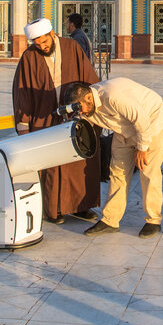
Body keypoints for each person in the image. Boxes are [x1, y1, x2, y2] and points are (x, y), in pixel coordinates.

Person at [12, 18, 101, 225]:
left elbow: (89, 79)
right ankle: (55, 209)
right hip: (44, 118)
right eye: (37, 44)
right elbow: (21, 92)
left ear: (52, 34)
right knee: (50, 165)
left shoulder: (72, 47)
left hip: (74, 115)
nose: (42, 46)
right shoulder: (29, 57)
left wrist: (92, 108)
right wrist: (23, 124)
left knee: (78, 163)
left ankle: (81, 207)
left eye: (44, 41)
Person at [64, 77, 163, 238]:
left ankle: (153, 220)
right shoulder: (86, 105)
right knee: (117, 171)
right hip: (123, 129)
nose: (82, 112)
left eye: (82, 108)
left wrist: (142, 147)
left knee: (148, 172)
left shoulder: (113, 96)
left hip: (150, 121)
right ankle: (110, 220)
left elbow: (141, 120)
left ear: (89, 97)